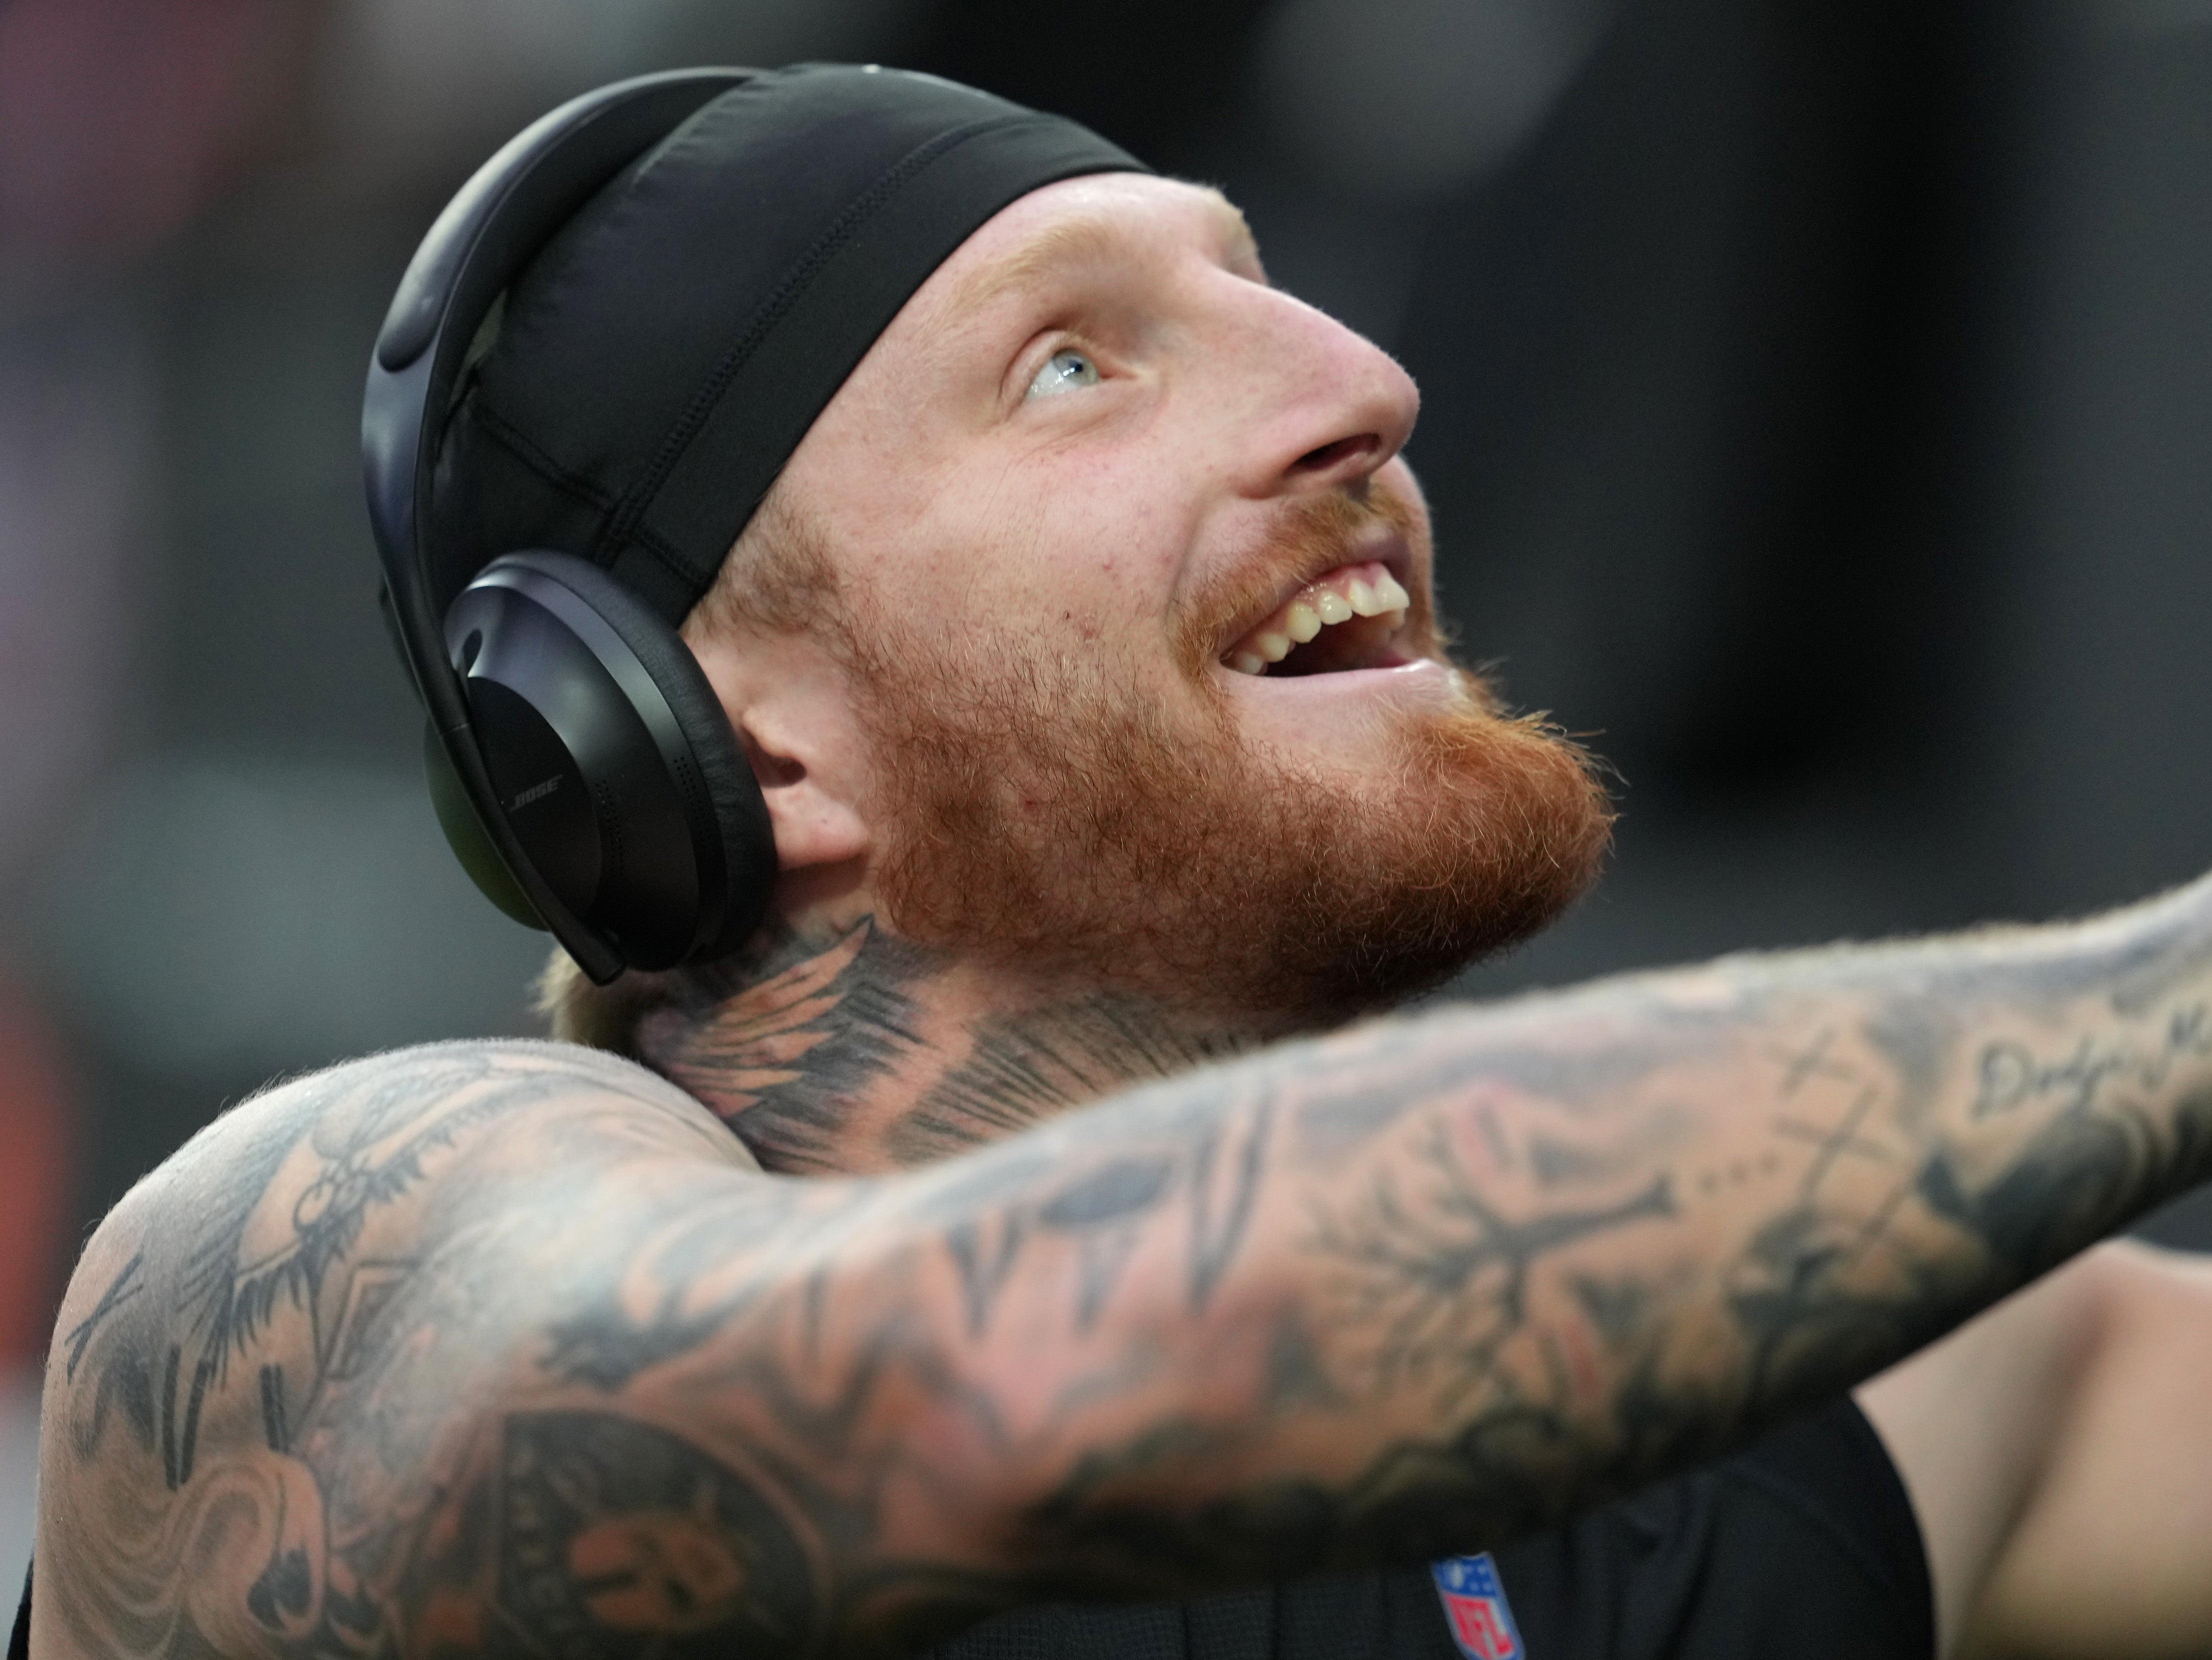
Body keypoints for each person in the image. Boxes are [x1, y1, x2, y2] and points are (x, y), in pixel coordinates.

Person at [24, 63, 2212, 1660]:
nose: (1366, 387)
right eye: (1072, 367)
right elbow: (993, 1382)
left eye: (1270, 296)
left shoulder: (1804, 1434)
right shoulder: (327, 1284)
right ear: (728, 725)